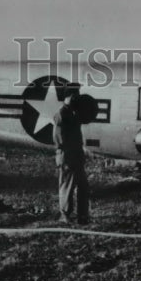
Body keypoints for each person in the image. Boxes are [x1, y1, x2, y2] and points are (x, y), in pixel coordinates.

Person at [53, 94, 90, 225]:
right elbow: (59, 138)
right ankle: (65, 215)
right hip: (68, 156)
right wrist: (66, 156)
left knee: (83, 186)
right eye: (73, 95)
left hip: (76, 156)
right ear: (66, 97)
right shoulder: (62, 113)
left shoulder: (73, 112)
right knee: (67, 186)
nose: (76, 97)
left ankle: (83, 216)